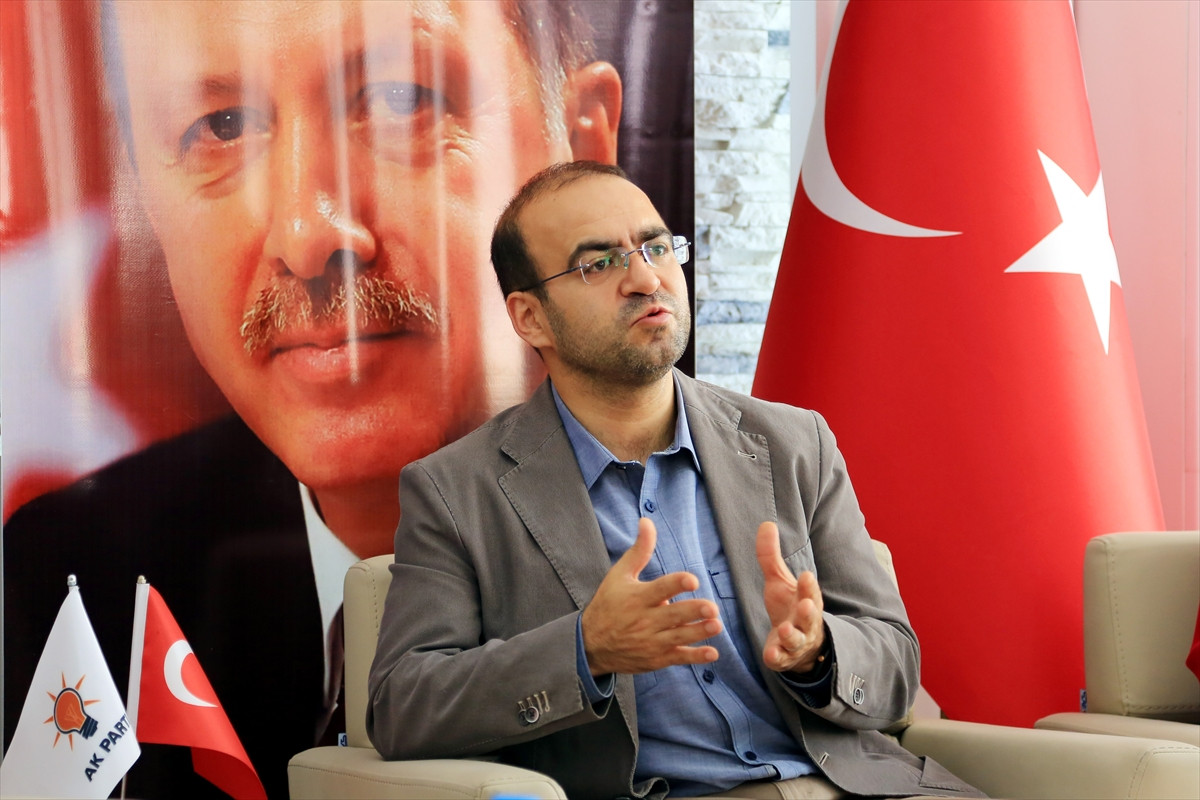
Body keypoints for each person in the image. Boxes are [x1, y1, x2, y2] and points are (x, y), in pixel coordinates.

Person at [2, 2, 623, 797]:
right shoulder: (68, 580)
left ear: (582, 149)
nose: (306, 236)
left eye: (402, 97)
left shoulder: (723, 573)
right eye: (220, 125)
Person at [366, 162, 983, 799]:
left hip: (855, 786)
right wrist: (585, 649)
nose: (646, 278)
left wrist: (818, 653)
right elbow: (402, 708)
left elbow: (895, 663)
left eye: (657, 247)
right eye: (599, 263)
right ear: (529, 318)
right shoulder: (456, 491)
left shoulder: (794, 443)